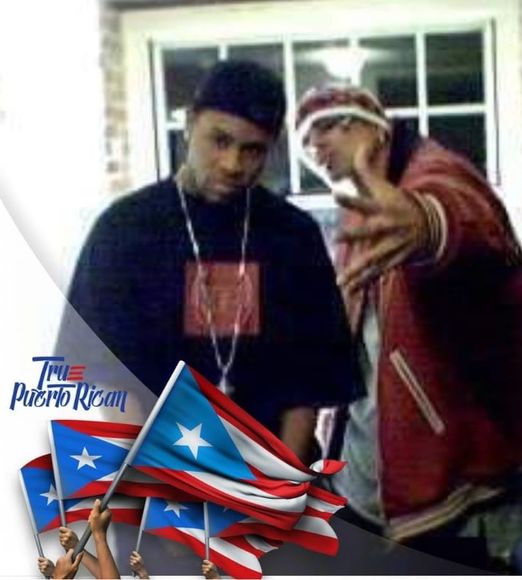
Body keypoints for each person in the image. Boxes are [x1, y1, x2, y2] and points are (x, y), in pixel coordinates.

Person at [59, 60, 361, 462]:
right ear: (189, 124)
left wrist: (282, 482)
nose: (233, 164)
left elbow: (310, 379)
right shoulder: (125, 230)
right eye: (219, 141)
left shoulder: (293, 236)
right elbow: (109, 375)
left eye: (252, 150)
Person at [296, 85, 522, 568]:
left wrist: (428, 224)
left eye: (327, 127)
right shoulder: (359, 208)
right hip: (364, 484)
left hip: (451, 491)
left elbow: (467, 224)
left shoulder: (435, 175)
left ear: (374, 128)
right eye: (306, 141)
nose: (316, 146)